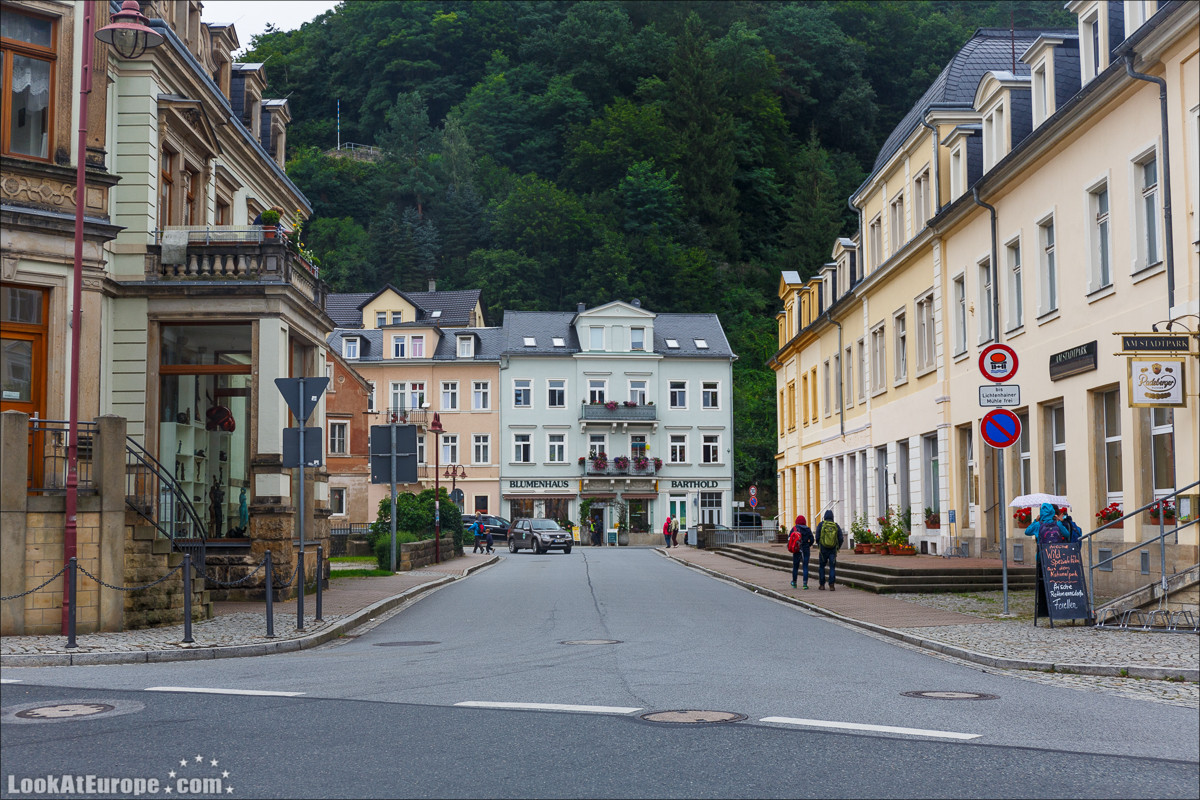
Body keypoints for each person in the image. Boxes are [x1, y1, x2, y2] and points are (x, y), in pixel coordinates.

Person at [816, 509, 844, 591]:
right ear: (832, 517)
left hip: (823, 550)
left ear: (824, 517)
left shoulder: (821, 525)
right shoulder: (835, 525)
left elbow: (817, 537)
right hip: (832, 550)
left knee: (821, 566)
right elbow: (841, 538)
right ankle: (831, 585)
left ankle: (822, 585)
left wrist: (820, 545)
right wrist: (837, 547)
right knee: (832, 567)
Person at [788, 514, 814, 589]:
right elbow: (812, 539)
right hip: (805, 549)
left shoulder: (794, 528)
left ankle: (794, 582)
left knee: (795, 566)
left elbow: (789, 538)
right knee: (805, 566)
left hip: (796, 549)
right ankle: (805, 584)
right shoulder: (808, 529)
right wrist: (808, 545)